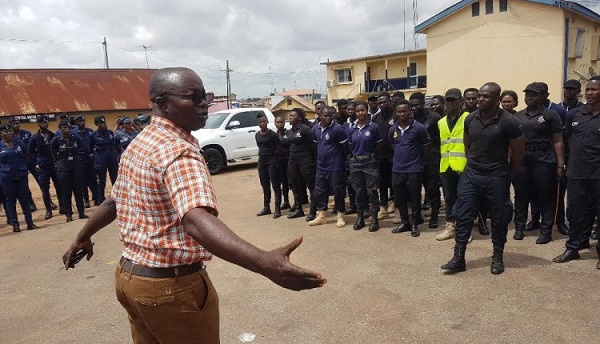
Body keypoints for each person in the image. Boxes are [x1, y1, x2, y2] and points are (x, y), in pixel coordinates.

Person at [62, 67, 326, 343]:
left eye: (205, 95)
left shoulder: (140, 143)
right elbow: (195, 219)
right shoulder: (179, 152)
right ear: (162, 103)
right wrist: (264, 263)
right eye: (193, 96)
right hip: (169, 289)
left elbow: (112, 201)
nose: (204, 103)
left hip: (131, 280)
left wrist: (82, 237)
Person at [441, 82, 524, 275]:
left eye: (485, 96)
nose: (479, 99)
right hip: (472, 175)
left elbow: (519, 153)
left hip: (497, 176)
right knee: (462, 215)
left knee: (499, 217)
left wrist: (506, 174)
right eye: (479, 95)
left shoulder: (509, 122)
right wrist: (473, 166)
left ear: (496, 100)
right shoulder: (470, 119)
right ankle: (458, 258)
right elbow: (467, 145)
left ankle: (497, 257)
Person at [553, 76, 600, 269]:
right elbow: (569, 141)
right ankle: (573, 247)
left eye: (594, 90)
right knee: (576, 212)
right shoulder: (574, 114)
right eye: (587, 90)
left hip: (598, 174)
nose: (589, 93)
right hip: (577, 172)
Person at [512, 82, 565, 244]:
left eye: (534, 94)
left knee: (545, 196)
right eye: (527, 93)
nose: (529, 97)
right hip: (522, 158)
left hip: (543, 158)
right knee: (521, 195)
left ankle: (546, 231)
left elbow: (557, 141)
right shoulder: (518, 116)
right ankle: (519, 228)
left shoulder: (550, 115)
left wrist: (560, 164)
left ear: (543, 96)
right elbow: (512, 142)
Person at [389, 100, 430, 237]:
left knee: (415, 199)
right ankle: (405, 222)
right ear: (396, 112)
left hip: (414, 170)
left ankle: (414, 224)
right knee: (400, 200)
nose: (402, 114)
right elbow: (392, 145)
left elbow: (425, 146)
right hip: (397, 170)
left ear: (410, 111)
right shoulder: (393, 129)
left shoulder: (419, 128)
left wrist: (416, 160)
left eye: (404, 111)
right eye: (399, 111)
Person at [435, 89, 469, 241]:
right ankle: (450, 227)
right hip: (446, 165)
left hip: (464, 165)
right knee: (449, 198)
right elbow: (438, 144)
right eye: (448, 100)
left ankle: (464, 230)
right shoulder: (441, 122)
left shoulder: (468, 118)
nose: (450, 103)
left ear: (461, 101)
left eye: (454, 100)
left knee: (464, 198)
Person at [308, 106, 348, 228]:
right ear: (320, 115)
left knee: (338, 190)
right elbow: (316, 146)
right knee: (320, 191)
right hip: (321, 166)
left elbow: (345, 148)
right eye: (325, 115)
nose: (328, 118)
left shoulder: (338, 129)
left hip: (335, 166)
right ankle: (322, 215)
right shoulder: (315, 129)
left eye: (330, 115)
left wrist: (341, 162)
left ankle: (340, 215)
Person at [348, 100, 382, 231]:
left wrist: (372, 157)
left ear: (367, 111)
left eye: (362, 110)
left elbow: (379, 145)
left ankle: (374, 220)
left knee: (372, 192)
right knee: (359, 192)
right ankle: (360, 218)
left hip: (370, 163)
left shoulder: (373, 127)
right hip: (356, 163)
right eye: (357, 111)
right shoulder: (352, 129)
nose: (360, 113)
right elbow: (350, 146)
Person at [410, 92, 442, 228]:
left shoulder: (434, 118)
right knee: (415, 189)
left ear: (423, 103)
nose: (414, 108)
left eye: (416, 105)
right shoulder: (410, 119)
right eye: (412, 105)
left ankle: (434, 216)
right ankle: (417, 217)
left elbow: (440, 139)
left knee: (432, 189)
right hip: (415, 160)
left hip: (431, 161)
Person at [0, 123, 38, 232]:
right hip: (7, 178)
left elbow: (27, 156)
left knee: (24, 199)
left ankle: (30, 223)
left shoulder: (20, 143)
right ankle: (15, 225)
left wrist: (23, 167)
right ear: (1, 133)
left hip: (21, 175)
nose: (9, 133)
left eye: (10, 131)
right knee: (10, 201)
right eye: (5, 131)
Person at [52, 120, 89, 222]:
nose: (67, 130)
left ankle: (81, 212)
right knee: (66, 192)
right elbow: (53, 153)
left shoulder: (76, 138)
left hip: (75, 165)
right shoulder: (56, 140)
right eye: (65, 128)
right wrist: (57, 164)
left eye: (69, 128)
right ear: (60, 129)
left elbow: (81, 149)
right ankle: (69, 214)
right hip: (63, 167)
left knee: (78, 190)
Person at [286, 108, 317, 221]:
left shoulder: (305, 129)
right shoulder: (290, 131)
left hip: (305, 161)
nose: (290, 117)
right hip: (293, 162)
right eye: (289, 115)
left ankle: (313, 211)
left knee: (311, 185)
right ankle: (299, 209)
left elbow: (313, 146)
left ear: (299, 118)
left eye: (292, 115)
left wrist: (313, 161)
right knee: (296, 186)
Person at [29, 115, 62, 219]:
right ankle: (48, 210)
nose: (44, 124)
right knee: (45, 189)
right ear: (38, 124)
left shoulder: (53, 135)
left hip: (54, 164)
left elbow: (57, 149)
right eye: (42, 123)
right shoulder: (34, 137)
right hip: (43, 166)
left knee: (59, 186)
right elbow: (31, 152)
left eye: (45, 122)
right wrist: (37, 163)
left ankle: (62, 207)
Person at [371, 93, 395, 220]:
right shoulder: (375, 118)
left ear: (390, 101)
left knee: (393, 182)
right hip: (380, 156)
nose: (382, 104)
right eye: (380, 103)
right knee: (382, 183)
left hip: (394, 155)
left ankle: (393, 202)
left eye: (384, 102)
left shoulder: (396, 115)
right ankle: (383, 207)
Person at [255, 112, 282, 218]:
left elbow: (278, 148)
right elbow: (259, 146)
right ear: (258, 124)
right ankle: (266, 207)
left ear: (267, 122)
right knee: (265, 185)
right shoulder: (257, 135)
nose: (262, 124)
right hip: (262, 162)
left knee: (275, 185)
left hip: (272, 162)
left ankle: (277, 209)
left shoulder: (273, 135)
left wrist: (276, 160)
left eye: (264, 121)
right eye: (260, 122)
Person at [10, 118, 38, 212]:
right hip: (21, 163)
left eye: (17, 123)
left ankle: (49, 201)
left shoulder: (26, 133)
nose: (16, 125)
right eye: (13, 124)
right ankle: (30, 203)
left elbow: (34, 145)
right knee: (25, 185)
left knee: (41, 181)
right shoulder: (10, 137)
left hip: (32, 160)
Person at [90, 115, 119, 203]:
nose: (103, 124)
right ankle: (100, 199)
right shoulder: (94, 135)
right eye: (100, 123)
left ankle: (117, 196)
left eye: (103, 122)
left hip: (111, 155)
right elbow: (90, 147)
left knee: (115, 177)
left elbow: (116, 144)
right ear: (97, 124)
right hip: (101, 156)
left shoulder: (110, 133)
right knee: (101, 180)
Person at [72, 114, 99, 207]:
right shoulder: (73, 134)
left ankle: (96, 197)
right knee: (82, 181)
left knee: (93, 179)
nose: (82, 123)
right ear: (76, 123)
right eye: (79, 121)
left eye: (83, 121)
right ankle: (86, 200)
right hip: (80, 160)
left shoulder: (90, 132)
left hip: (90, 159)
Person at [274, 116, 291, 210]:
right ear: (275, 124)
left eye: (281, 122)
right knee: (283, 182)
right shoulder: (274, 135)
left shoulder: (289, 133)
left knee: (291, 182)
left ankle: (298, 202)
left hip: (288, 160)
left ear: (284, 123)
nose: (279, 124)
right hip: (279, 162)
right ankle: (286, 201)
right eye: (278, 122)